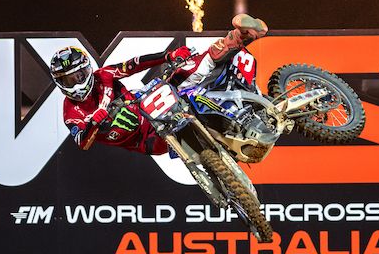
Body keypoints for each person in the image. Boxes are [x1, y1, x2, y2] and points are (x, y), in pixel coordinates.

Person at [50, 14, 268, 154]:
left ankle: (238, 38)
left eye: (80, 75)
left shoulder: (103, 75)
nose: (77, 83)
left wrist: (168, 56)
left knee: (185, 73)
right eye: (70, 79)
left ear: (88, 69)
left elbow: (134, 64)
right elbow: (82, 142)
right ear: (60, 83)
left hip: (148, 105)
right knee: (193, 145)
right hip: (145, 139)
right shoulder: (71, 113)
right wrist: (94, 121)